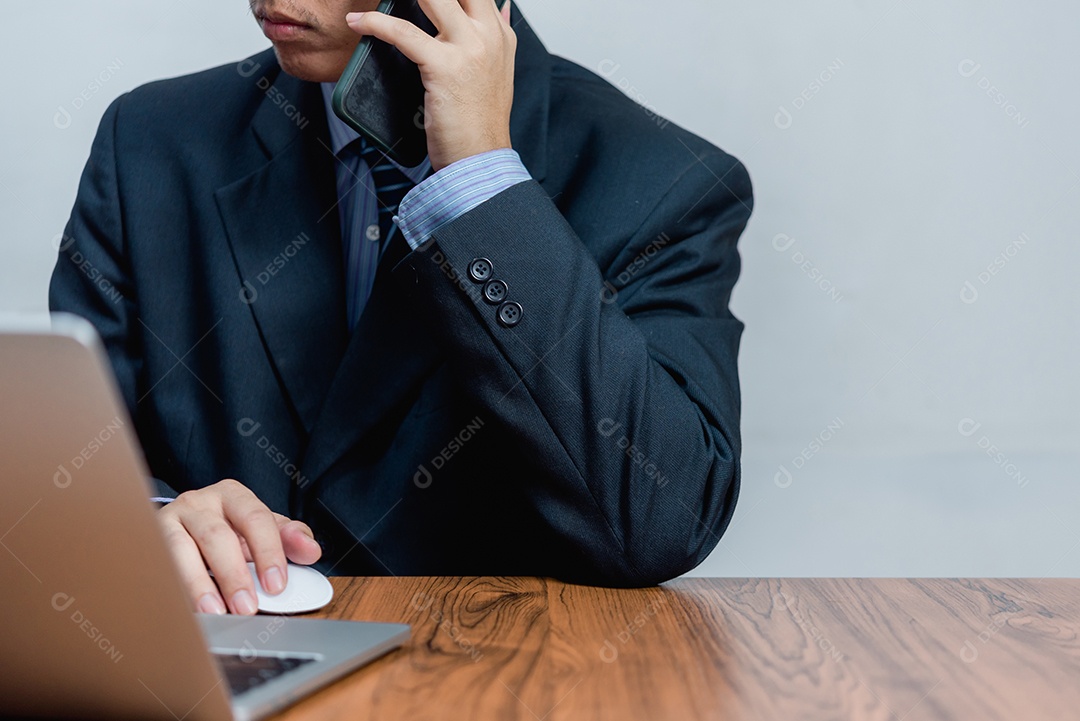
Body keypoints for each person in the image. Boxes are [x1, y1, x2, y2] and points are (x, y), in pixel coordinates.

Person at [49, 0, 753, 615]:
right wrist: (153, 520)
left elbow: (661, 523)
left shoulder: (664, 182)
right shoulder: (151, 140)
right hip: (217, 675)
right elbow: (62, 465)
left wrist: (481, 184)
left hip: (502, 682)